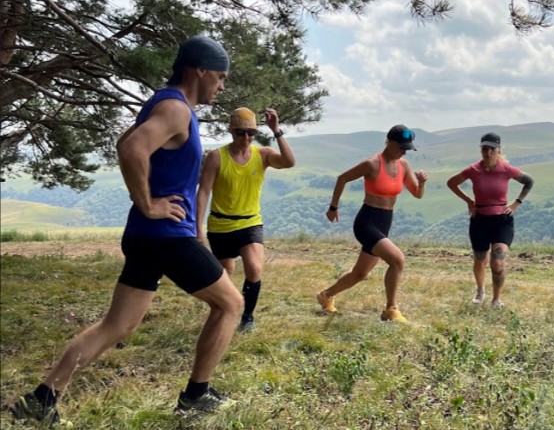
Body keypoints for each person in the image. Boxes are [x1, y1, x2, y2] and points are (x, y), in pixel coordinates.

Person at [9, 35, 244, 426]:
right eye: (220, 77)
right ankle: (196, 396)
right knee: (230, 304)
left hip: (147, 237)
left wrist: (146, 204)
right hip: (166, 235)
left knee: (118, 325)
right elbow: (132, 148)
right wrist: (149, 203)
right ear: (198, 70)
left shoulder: (165, 102)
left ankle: (41, 399)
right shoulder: (175, 108)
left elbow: (126, 140)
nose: (221, 86)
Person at [196, 107, 295, 332]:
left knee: (254, 268)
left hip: (250, 222)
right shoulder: (216, 156)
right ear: (232, 132)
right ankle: (223, 311)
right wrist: (197, 228)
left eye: (251, 133)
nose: (247, 138)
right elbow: (203, 192)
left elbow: (289, 162)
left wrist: (276, 130)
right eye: (241, 133)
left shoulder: (263, 155)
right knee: (225, 274)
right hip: (221, 224)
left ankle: (247, 318)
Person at [316, 125, 427, 322]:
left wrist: (422, 182)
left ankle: (325, 296)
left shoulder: (404, 166)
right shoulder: (373, 164)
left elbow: (418, 194)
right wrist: (333, 208)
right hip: (367, 222)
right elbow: (342, 179)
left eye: (407, 149)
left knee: (360, 273)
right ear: (389, 142)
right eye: (401, 147)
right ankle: (391, 309)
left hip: (385, 222)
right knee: (397, 260)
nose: (403, 151)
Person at [446, 132, 534, 307]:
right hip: (480, 219)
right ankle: (480, 290)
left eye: (491, 149)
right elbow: (451, 183)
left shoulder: (506, 169)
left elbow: (529, 181)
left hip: (502, 220)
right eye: (484, 149)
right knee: (480, 259)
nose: (487, 152)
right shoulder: (473, 170)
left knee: (498, 261)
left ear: (498, 150)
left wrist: (516, 203)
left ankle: (496, 299)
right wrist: (469, 201)